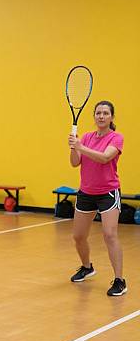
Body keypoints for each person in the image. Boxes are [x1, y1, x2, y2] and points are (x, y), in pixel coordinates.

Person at [68, 100, 126, 296]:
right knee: (78, 236)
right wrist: (73, 147)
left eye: (105, 113)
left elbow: (104, 158)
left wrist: (80, 147)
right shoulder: (86, 137)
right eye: (98, 113)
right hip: (86, 192)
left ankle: (119, 280)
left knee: (110, 235)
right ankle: (87, 267)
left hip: (108, 192)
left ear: (111, 117)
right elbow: (75, 163)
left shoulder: (116, 138)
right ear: (94, 116)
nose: (101, 116)